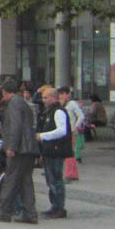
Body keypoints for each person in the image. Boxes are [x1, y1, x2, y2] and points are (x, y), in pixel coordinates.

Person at [0, 80, 38, 224]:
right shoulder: (22, 102)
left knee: (11, 179)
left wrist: (11, 147)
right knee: (25, 181)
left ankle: (4, 212)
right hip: (28, 148)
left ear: (4, 92)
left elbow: (16, 126)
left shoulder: (14, 104)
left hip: (20, 149)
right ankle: (30, 213)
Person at [37, 88, 71, 219]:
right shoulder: (48, 112)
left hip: (56, 150)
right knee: (50, 179)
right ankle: (54, 206)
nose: (43, 100)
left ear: (53, 98)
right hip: (49, 150)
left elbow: (62, 131)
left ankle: (59, 207)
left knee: (56, 179)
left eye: (46, 98)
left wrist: (43, 136)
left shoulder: (58, 112)